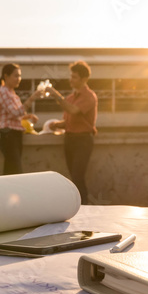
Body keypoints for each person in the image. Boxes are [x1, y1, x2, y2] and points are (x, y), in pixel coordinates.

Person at [46, 60, 98, 202]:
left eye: (74, 77)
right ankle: (77, 208)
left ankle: (84, 209)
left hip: (83, 140)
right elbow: (69, 121)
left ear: (84, 79)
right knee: (74, 179)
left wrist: (55, 94)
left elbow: (74, 111)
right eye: (71, 76)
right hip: (69, 139)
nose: (71, 80)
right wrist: (55, 124)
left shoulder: (89, 96)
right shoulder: (70, 98)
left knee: (77, 177)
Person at [0, 63, 44, 175]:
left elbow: (13, 115)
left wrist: (28, 116)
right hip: (8, 135)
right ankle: (9, 192)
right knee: (14, 170)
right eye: (16, 75)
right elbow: (15, 112)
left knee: (12, 170)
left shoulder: (11, 93)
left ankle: (8, 192)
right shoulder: (4, 92)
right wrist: (32, 98)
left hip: (13, 135)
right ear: (6, 76)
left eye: (19, 76)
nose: (19, 79)